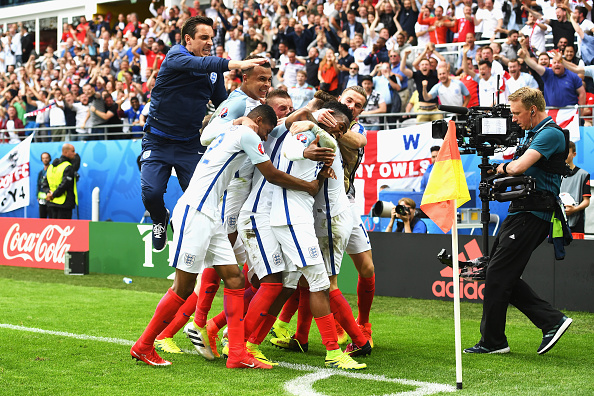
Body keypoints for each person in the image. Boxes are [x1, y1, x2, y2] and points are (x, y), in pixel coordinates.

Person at [130, 105, 330, 368]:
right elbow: (271, 174)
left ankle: (236, 353)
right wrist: (310, 185)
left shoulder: (230, 128)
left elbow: (207, 134)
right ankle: (144, 345)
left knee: (235, 279)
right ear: (258, 121)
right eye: (266, 131)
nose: (265, 138)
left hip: (212, 215)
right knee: (184, 286)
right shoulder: (247, 135)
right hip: (196, 212)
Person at [140, 16, 269, 252]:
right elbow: (201, 65)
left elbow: (222, 105)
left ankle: (193, 241)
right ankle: (159, 217)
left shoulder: (212, 72)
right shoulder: (175, 56)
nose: (210, 42)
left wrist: (252, 102)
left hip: (190, 143)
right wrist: (237, 64)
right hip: (157, 139)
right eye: (204, 38)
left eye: (211, 37)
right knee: (152, 193)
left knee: (201, 197)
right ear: (188, 39)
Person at [464, 87, 573, 355]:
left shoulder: (550, 134)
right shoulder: (533, 133)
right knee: (497, 272)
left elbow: (517, 167)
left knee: (498, 274)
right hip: (521, 211)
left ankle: (498, 340)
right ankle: (546, 322)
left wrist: (498, 168)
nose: (513, 119)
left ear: (532, 110)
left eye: (517, 113)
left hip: (534, 213)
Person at [560, 141, 591, 238]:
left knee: (576, 251)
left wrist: (574, 209)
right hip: (557, 221)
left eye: (567, 153)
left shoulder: (583, 174)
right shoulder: (555, 174)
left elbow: (586, 201)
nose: (565, 156)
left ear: (574, 154)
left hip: (576, 224)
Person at [42, 144, 78, 219]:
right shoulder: (68, 166)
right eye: (73, 151)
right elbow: (65, 185)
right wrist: (53, 195)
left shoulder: (51, 166)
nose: (75, 153)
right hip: (64, 204)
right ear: (65, 152)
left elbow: (44, 183)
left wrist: (49, 194)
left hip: (51, 203)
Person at [37, 152, 51, 219]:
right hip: (42, 199)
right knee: (42, 217)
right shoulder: (41, 172)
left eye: (46, 158)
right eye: (43, 158)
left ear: (49, 159)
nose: (45, 160)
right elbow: (38, 184)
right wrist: (37, 195)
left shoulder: (52, 170)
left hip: (50, 198)